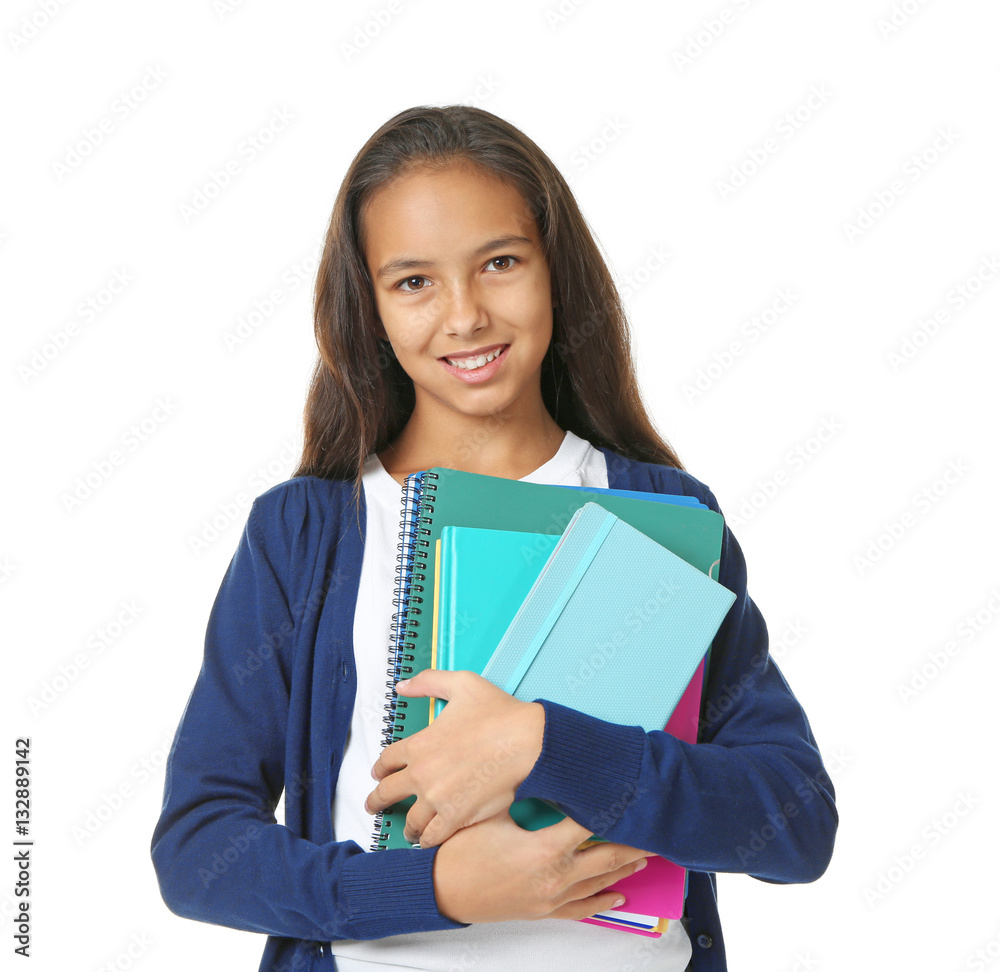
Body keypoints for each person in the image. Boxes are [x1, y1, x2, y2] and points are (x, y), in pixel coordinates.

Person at [151, 105, 838, 972]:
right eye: (414, 283)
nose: (466, 315)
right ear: (368, 308)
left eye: (501, 263)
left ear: (556, 272)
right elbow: (198, 848)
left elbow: (795, 822)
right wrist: (436, 892)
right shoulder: (304, 532)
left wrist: (547, 746)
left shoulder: (667, 519)